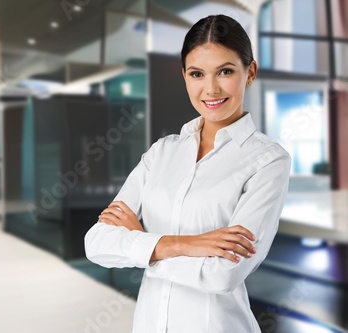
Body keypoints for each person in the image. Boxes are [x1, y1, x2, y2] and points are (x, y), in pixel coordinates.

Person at [84, 14, 291, 333]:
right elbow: (97, 243)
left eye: (225, 71)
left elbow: (222, 275)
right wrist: (185, 244)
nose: (210, 89)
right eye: (197, 74)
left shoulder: (267, 161)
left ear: (249, 72)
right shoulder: (161, 153)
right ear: (184, 76)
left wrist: (141, 243)